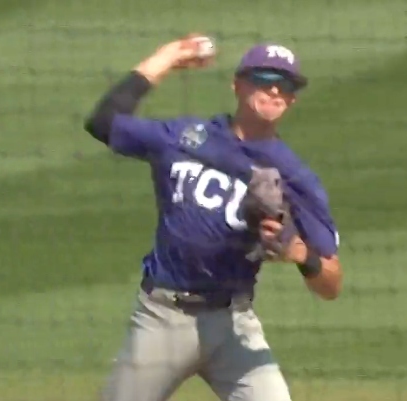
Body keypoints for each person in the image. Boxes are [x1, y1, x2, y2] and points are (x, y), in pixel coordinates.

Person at [83, 34, 343, 401]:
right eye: (263, 80)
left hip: (234, 326)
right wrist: (169, 56)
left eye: (285, 86)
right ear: (237, 84)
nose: (274, 91)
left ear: (292, 99)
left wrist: (301, 254)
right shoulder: (184, 138)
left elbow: (331, 285)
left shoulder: (296, 178)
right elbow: (103, 122)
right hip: (163, 318)